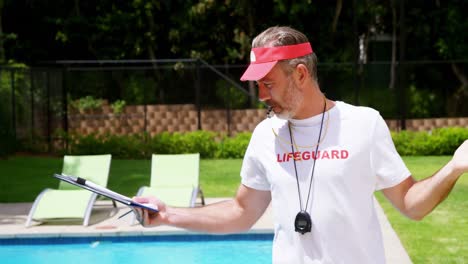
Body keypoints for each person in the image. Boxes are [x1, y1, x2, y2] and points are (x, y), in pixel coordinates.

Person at [133, 26, 468, 263]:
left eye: (269, 84)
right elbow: (240, 212)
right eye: (258, 85)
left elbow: (411, 204)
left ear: (301, 75)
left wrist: (454, 166)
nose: (262, 95)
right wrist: (167, 215)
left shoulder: (364, 124)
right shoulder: (266, 135)